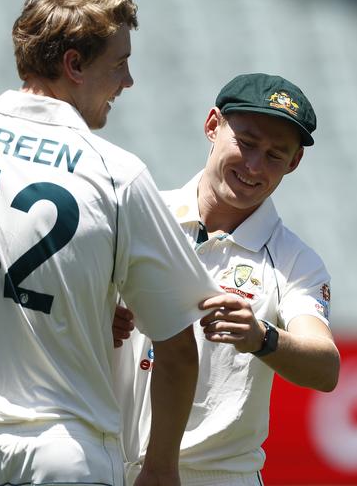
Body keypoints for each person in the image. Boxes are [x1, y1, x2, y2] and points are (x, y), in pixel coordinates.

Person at [0, 0, 223, 485]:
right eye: (119, 63)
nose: (128, 81)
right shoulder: (117, 174)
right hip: (69, 461)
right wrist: (161, 466)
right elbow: (179, 347)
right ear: (74, 64)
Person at [113, 73, 341, 486]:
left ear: (294, 162)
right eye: (247, 143)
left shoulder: (296, 261)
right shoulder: (137, 213)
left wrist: (261, 337)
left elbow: (325, 368)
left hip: (217, 477)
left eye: (275, 155)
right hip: (104, 465)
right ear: (213, 125)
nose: (254, 167)